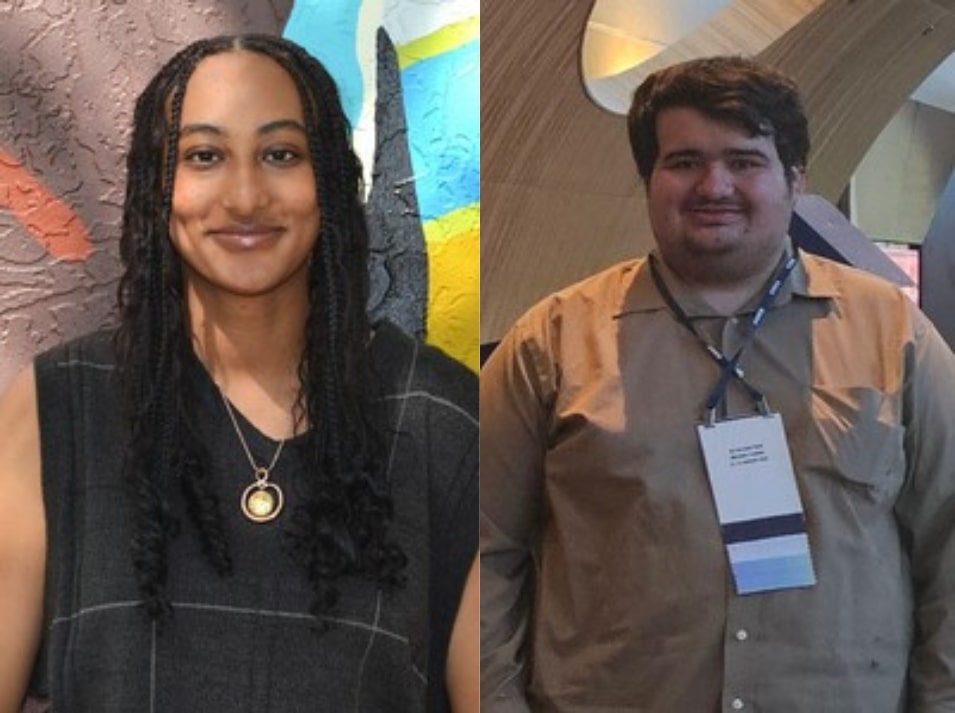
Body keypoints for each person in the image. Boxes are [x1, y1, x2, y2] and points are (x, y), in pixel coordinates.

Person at [0, 33, 478, 712]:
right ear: (157, 186)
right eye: (204, 156)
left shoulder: (445, 420)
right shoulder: (59, 407)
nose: (246, 194)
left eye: (281, 154)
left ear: (331, 182)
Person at [480, 55, 955, 711]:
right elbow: (481, 551)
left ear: (794, 180)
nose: (713, 184)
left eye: (743, 161)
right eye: (683, 162)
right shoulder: (549, 343)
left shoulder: (893, 334)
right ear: (648, 180)